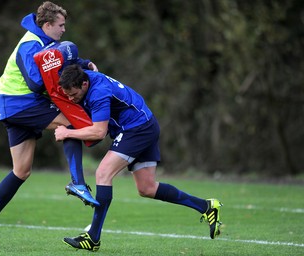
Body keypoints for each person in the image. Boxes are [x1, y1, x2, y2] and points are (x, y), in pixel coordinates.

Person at [54, 64, 223, 252]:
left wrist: (67, 134)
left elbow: (99, 132)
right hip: (146, 123)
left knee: (103, 173)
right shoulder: (85, 76)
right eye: (67, 95)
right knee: (147, 188)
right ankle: (207, 206)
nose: (71, 99)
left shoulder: (98, 92)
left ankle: (93, 238)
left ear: (84, 84)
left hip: (136, 129)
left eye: (73, 94)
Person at [0, 2, 99, 248]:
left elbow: (58, 59)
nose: (64, 30)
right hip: (20, 103)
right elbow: (34, 81)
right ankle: (78, 182)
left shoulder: (45, 42)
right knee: (73, 124)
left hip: (13, 106)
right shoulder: (30, 44)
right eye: (60, 25)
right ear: (47, 25)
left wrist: (83, 63)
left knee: (22, 170)